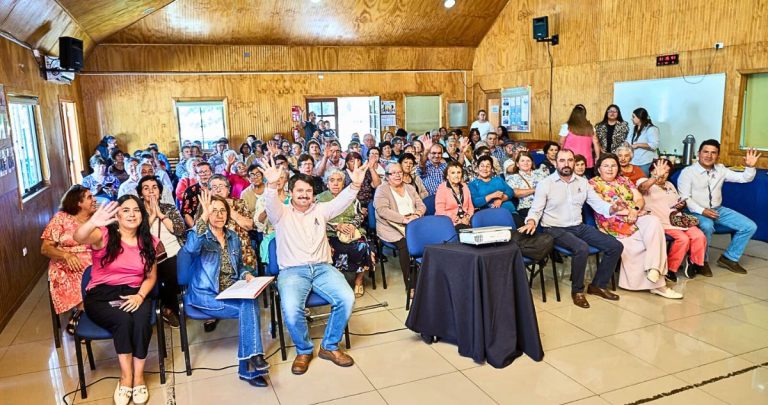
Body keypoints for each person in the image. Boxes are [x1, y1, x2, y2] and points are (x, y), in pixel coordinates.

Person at [260, 155, 366, 375]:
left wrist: (355, 184)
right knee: (290, 309)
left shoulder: (321, 210)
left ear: (313, 194)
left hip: (322, 268)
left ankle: (329, 346)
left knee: (347, 298)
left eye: (308, 191)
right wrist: (271, 184)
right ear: (290, 193)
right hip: (292, 272)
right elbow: (270, 203)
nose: (304, 195)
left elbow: (342, 201)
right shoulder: (281, 213)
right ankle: (304, 349)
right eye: (299, 191)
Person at [73, 196, 159, 405]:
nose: (131, 214)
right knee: (122, 320)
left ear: (142, 214)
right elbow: (78, 237)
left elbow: (150, 277)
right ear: (117, 215)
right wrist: (93, 222)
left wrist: (140, 295)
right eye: (126, 210)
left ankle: (138, 377)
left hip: (135, 292)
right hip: (102, 295)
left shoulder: (150, 242)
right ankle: (125, 378)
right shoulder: (102, 235)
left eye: (136, 210)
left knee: (140, 321)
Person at [181, 191, 269, 387]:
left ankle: (250, 363)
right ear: (205, 214)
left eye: (223, 211)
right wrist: (203, 215)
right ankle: (251, 363)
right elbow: (190, 249)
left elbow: (239, 265)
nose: (219, 215)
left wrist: (246, 273)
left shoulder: (233, 237)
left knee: (250, 303)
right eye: (214, 211)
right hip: (205, 295)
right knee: (250, 308)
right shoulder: (200, 236)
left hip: (231, 290)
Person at [519, 149, 624, 309]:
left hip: (578, 226)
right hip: (553, 228)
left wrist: (612, 208)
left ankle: (598, 285)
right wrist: (532, 221)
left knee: (615, 246)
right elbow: (536, 209)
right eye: (562, 160)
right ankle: (578, 291)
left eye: (569, 160)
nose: (566, 164)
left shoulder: (583, 183)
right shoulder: (545, 184)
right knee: (581, 248)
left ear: (574, 163)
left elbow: (598, 204)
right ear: (555, 163)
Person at [589, 154, 680, 299]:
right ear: (599, 169)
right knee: (638, 243)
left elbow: (639, 198)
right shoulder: (593, 184)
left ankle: (655, 268)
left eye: (613, 165)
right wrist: (627, 212)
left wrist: (635, 210)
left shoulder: (624, 180)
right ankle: (659, 286)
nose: (610, 169)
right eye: (606, 166)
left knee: (654, 222)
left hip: (635, 215)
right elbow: (603, 207)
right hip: (613, 222)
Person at [677, 140, 760, 275]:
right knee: (707, 225)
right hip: (694, 211)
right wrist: (703, 211)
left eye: (713, 153)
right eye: (705, 152)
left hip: (717, 209)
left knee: (749, 226)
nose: (709, 156)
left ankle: (729, 258)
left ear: (718, 156)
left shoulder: (721, 170)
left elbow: (744, 178)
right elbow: (685, 198)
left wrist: (749, 167)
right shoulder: (688, 172)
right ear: (698, 154)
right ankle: (701, 262)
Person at [637, 159, 706, 281]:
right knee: (683, 239)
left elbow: (677, 201)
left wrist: (681, 205)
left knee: (699, 236)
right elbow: (642, 188)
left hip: (678, 220)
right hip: (661, 222)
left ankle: (693, 262)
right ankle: (671, 269)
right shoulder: (644, 182)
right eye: (659, 171)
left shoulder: (670, 185)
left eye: (666, 172)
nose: (663, 175)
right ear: (652, 171)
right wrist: (655, 177)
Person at [40, 185, 96, 334]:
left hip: (94, 256)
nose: (94, 200)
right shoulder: (61, 218)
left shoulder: (97, 217)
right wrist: (66, 256)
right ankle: (86, 316)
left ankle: (88, 314)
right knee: (79, 272)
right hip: (65, 260)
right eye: (90, 197)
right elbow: (45, 248)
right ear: (78, 203)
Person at [317, 168, 376, 298]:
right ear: (327, 183)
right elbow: (316, 221)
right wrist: (336, 227)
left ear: (344, 183)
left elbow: (360, 215)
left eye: (339, 180)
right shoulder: (319, 199)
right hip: (329, 234)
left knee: (363, 246)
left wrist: (352, 225)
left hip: (352, 231)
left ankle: (359, 281)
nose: (336, 183)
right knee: (335, 248)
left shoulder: (351, 197)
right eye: (332, 180)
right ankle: (338, 282)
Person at [137, 176, 186, 327]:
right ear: (140, 193)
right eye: (146, 188)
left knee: (174, 270)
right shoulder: (136, 211)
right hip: (147, 254)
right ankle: (167, 308)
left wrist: (160, 215)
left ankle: (169, 308)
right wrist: (151, 217)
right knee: (157, 273)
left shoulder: (169, 208)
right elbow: (137, 236)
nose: (151, 191)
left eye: (154, 187)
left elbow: (179, 230)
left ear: (160, 191)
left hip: (172, 251)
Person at [374, 163, 426, 295]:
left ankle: (429, 281)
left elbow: (421, 204)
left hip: (414, 223)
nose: (398, 175)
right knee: (406, 244)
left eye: (400, 172)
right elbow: (382, 211)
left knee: (432, 241)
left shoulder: (409, 187)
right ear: (387, 176)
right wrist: (404, 219)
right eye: (393, 173)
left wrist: (417, 214)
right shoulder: (382, 190)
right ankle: (411, 285)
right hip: (391, 227)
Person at [208, 175, 256, 272]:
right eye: (214, 187)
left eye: (221, 186)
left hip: (243, 253)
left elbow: (249, 225)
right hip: (217, 256)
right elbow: (200, 230)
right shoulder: (205, 206)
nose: (218, 190)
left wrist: (227, 208)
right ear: (209, 191)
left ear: (228, 189)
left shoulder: (239, 203)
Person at [506, 151, 549, 219]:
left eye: (528, 161)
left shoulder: (541, 173)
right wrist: (535, 189)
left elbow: (549, 187)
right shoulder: (512, 177)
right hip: (527, 208)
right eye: (522, 161)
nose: (525, 163)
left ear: (532, 163)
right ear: (517, 164)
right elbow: (515, 192)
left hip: (546, 206)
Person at [560, 104, 601, 176]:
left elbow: (561, 143)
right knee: (587, 179)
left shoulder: (566, 126)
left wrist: (559, 156)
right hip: (587, 160)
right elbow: (596, 142)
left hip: (570, 159)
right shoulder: (590, 127)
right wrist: (597, 157)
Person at [435, 161, 474, 230]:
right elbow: (440, 210)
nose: (456, 175)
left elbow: (470, 207)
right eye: (453, 173)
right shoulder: (442, 188)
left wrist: (467, 217)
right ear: (447, 176)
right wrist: (455, 219)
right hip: (448, 222)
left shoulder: (465, 186)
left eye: (459, 172)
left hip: (465, 222)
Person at [181, 162, 214, 227]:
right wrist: (195, 229)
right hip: (197, 224)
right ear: (196, 175)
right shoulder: (190, 191)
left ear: (212, 173)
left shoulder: (217, 189)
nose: (204, 174)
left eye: (206, 171)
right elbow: (186, 213)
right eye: (201, 172)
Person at [629, 108, 659, 175]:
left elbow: (654, 145)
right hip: (633, 161)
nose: (632, 119)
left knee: (643, 182)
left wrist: (638, 145)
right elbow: (628, 141)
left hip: (645, 163)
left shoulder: (651, 129)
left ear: (639, 117)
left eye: (633, 117)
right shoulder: (634, 128)